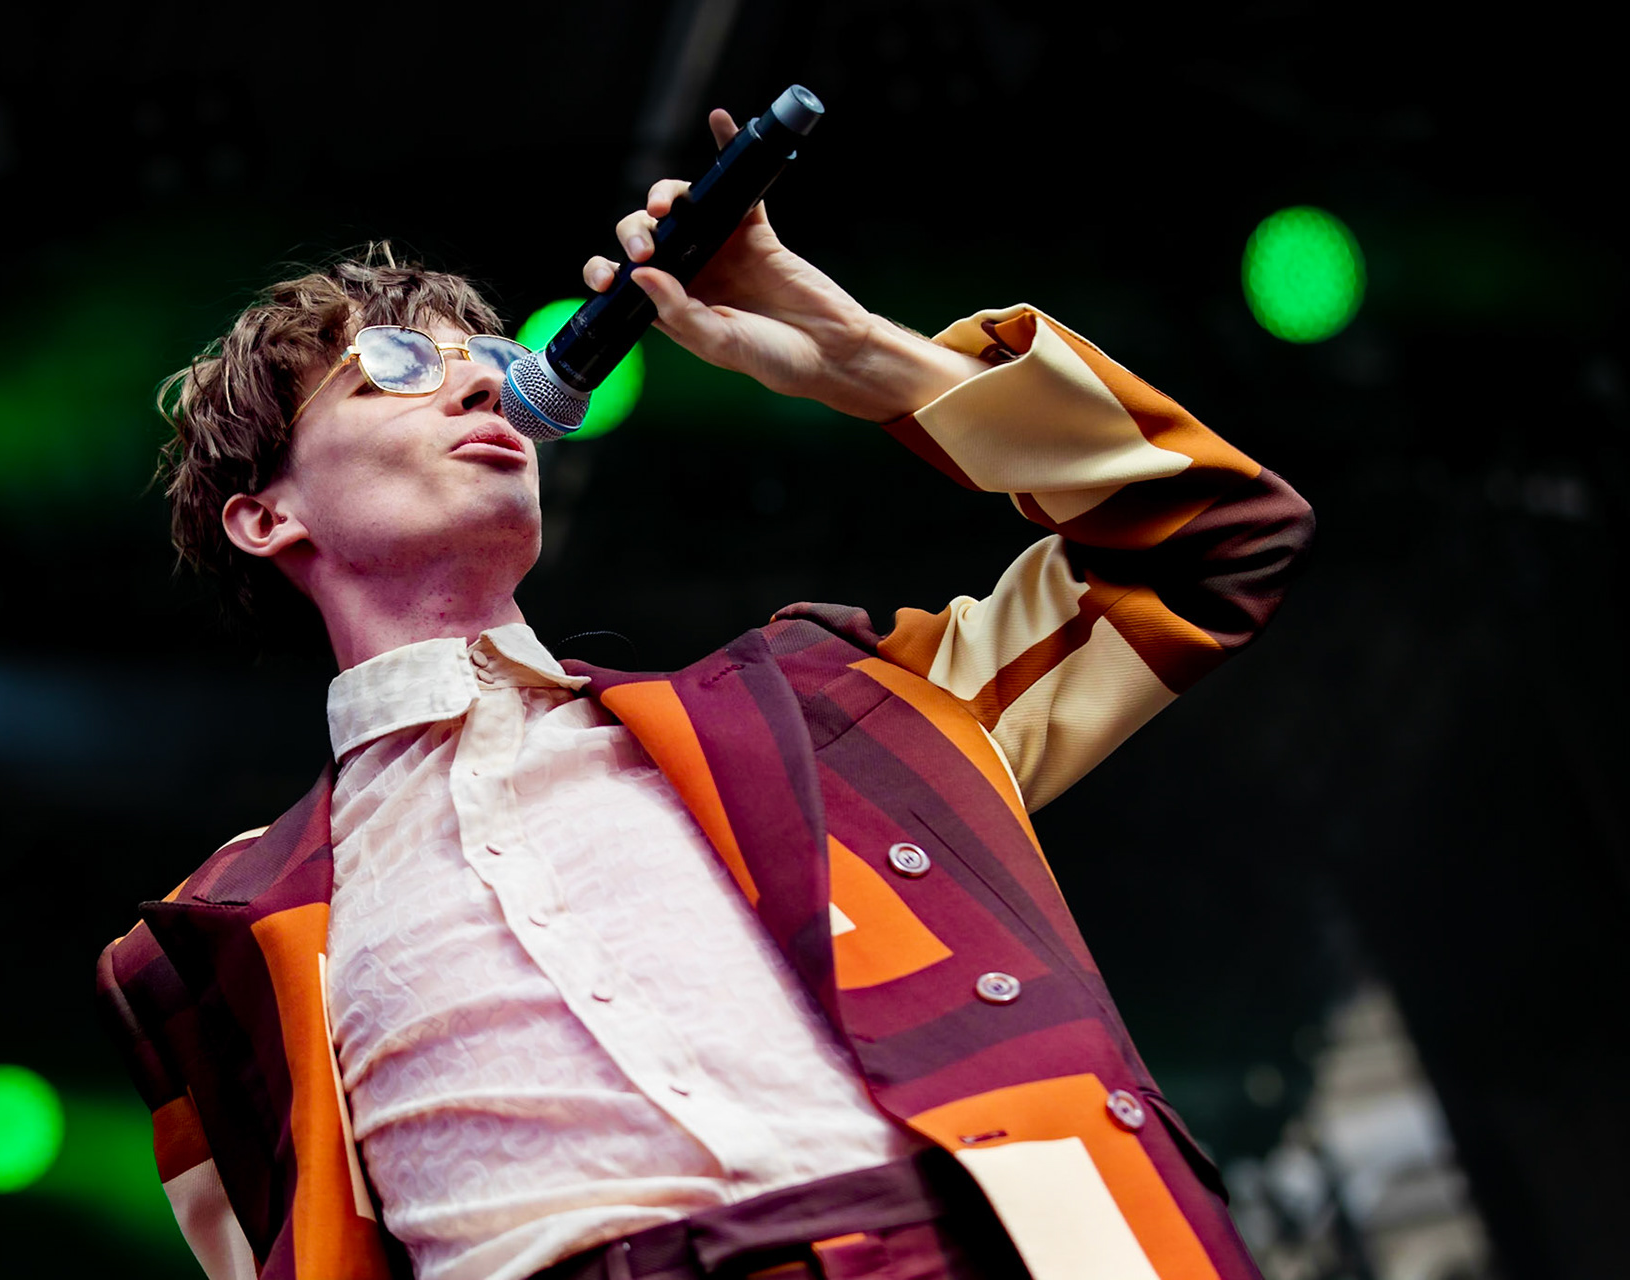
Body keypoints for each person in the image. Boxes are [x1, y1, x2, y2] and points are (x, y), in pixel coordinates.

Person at [96, 108, 1314, 1280]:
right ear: (264, 515)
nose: (477, 386)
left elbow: (1215, 539)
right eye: (396, 369)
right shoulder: (219, 944)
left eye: (488, 360)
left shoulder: (837, 709)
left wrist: (866, 357)